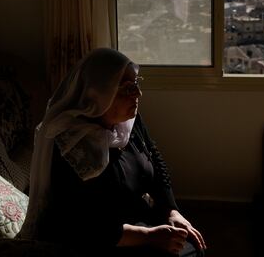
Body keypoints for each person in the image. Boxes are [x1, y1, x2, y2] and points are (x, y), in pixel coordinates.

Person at [19, 48, 206, 256]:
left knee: (191, 246)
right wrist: (148, 235)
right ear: (96, 95)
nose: (138, 94)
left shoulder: (127, 123)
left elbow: (154, 157)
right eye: (127, 88)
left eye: (136, 84)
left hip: (137, 218)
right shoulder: (71, 145)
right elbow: (79, 225)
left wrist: (171, 210)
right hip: (99, 240)